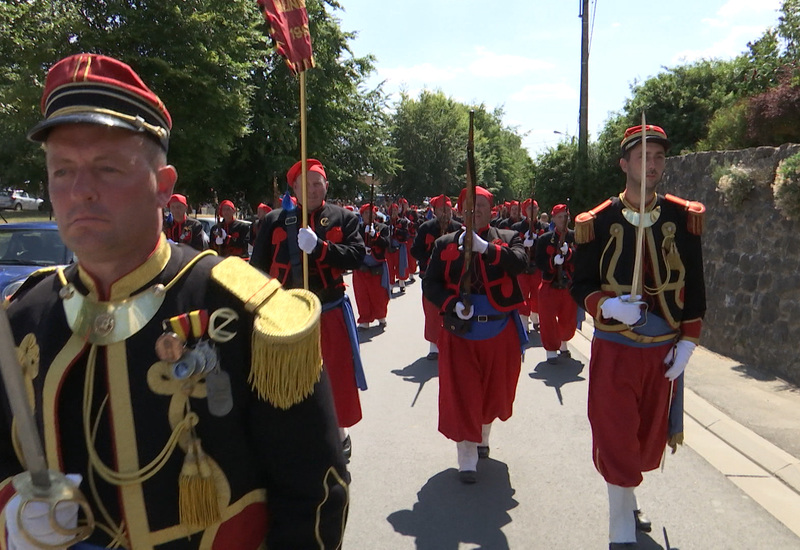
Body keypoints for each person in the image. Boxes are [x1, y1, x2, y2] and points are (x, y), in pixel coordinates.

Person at [1, 52, 348, 549]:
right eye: (61, 171)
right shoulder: (23, 315)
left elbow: (314, 496)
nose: (80, 191)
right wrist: (13, 507)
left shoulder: (244, 311)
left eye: (106, 169)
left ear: (164, 188)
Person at [571, 124, 706, 549]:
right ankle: (620, 531)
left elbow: (696, 284)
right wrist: (606, 306)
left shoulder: (682, 217)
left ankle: (628, 500)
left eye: (660, 156)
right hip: (616, 348)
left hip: (663, 349)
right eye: (643, 156)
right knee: (615, 435)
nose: (652, 164)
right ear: (624, 163)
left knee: (647, 440)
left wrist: (689, 341)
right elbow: (581, 283)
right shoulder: (599, 221)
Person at [250, 159, 366, 459]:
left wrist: (321, 248)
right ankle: (294, 435)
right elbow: (258, 267)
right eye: (306, 184)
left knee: (335, 376)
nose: (313, 189)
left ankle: (339, 432)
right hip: (285, 314)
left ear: (326, 185)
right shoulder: (274, 220)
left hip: (328, 310)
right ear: (294, 188)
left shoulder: (343, 218)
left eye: (318, 183)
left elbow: (355, 256)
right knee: (288, 377)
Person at [422, 185, 528, 484]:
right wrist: (451, 303)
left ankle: (482, 434)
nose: (474, 210)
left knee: (496, 391)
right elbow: (430, 283)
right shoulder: (444, 244)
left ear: (491, 210)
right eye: (469, 205)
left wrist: (487, 249)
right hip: (461, 331)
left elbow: (521, 262)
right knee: (463, 393)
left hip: (499, 330)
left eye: (480, 205)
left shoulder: (508, 238)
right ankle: (466, 454)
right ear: (460, 209)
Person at [410, 194, 462, 360]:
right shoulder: (426, 228)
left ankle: (454, 343)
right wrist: (430, 257)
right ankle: (434, 346)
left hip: (454, 278)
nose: (445, 213)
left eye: (448, 209)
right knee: (432, 311)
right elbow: (415, 250)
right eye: (442, 210)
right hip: (431, 276)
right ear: (435, 211)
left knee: (453, 309)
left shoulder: (459, 228)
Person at [535, 203, 577, 364]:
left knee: (568, 318)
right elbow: (540, 261)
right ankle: (551, 349)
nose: (563, 220)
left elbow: (582, 258)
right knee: (547, 318)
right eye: (560, 217)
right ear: (553, 218)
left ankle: (564, 343)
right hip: (549, 284)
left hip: (568, 286)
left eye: (565, 217)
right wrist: (553, 262)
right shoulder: (545, 239)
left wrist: (570, 254)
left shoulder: (575, 236)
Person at [511, 198, 548, 332]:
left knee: (537, 294)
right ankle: (524, 323)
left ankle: (535, 317)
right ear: (525, 211)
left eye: (535, 208)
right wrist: (522, 241)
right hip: (522, 267)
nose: (532, 211)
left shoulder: (544, 227)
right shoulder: (517, 227)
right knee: (523, 294)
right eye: (529, 208)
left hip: (537, 266)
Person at [352, 203, 390, 330]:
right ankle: (365, 319)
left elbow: (386, 243)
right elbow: (352, 243)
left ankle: (381, 316)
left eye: (371, 213)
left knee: (379, 295)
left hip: (376, 266)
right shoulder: (356, 228)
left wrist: (375, 235)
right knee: (362, 294)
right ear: (362, 215)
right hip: (361, 266)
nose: (369, 215)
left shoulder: (383, 228)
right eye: (366, 213)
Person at [385, 202, 411, 293]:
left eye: (395, 210)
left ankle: (401, 283)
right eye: (392, 210)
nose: (394, 212)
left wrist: (396, 231)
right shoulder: (386, 223)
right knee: (390, 266)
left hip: (400, 247)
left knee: (401, 265)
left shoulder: (403, 221)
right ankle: (391, 285)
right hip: (389, 248)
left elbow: (406, 234)